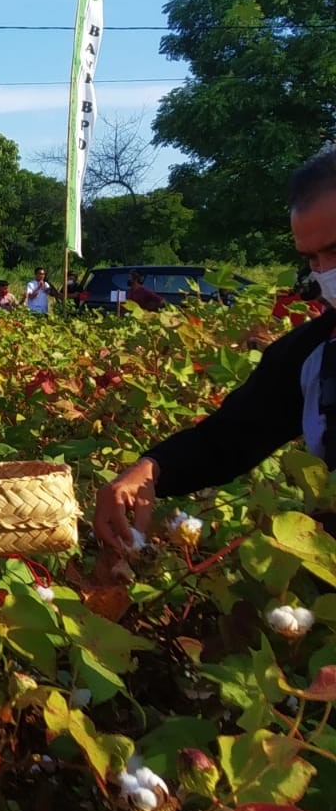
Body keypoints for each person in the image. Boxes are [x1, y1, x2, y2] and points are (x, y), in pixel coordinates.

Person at [94, 145, 336, 555]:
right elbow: (227, 440)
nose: (324, 272)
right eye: (312, 258)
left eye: (335, 251)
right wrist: (150, 469)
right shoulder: (313, 352)